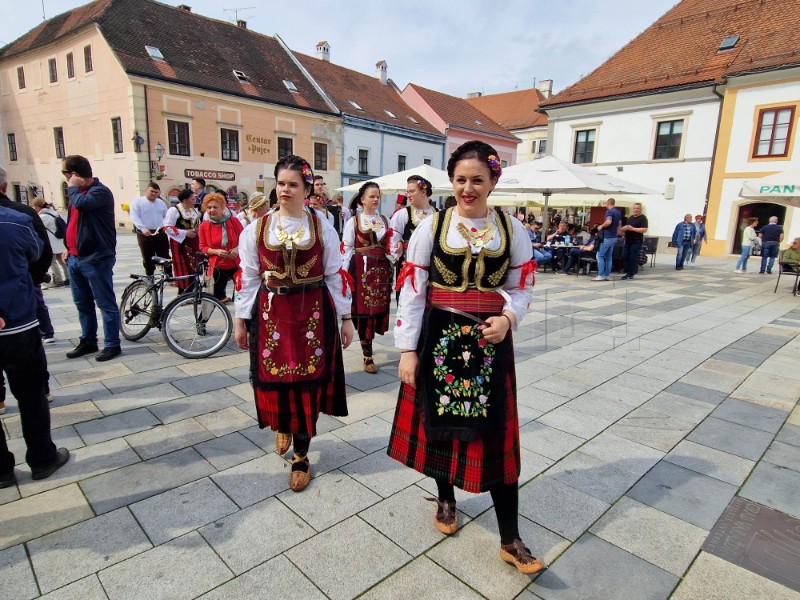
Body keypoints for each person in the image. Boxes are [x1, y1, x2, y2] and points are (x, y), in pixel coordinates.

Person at [388, 140, 542, 575]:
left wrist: (509, 317)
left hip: (490, 345)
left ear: (494, 180)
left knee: (497, 437)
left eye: (477, 179)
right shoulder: (430, 228)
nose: (467, 188)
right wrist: (406, 351)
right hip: (438, 340)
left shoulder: (513, 230)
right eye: (460, 180)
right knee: (440, 425)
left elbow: (522, 288)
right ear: (451, 181)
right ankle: (446, 498)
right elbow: (413, 293)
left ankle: (510, 538)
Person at [234, 155, 354, 492]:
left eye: (293, 185)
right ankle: (283, 424)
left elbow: (334, 275)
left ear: (306, 190)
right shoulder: (256, 229)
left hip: (311, 313)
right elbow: (248, 277)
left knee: (308, 381)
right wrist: (241, 320)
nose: (285, 190)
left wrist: (345, 318)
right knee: (276, 376)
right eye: (281, 183)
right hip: (271, 312)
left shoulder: (321, 227)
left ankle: (301, 453)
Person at [0, 204, 70, 488]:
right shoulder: (16, 221)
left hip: (16, 320)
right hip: (17, 320)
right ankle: (42, 458)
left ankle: (2, 470)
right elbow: (37, 257)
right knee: (31, 394)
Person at [62, 155, 121, 362]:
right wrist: (67, 247)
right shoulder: (77, 194)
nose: (66, 180)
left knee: (105, 303)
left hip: (96, 257)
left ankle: (112, 344)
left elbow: (83, 205)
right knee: (82, 303)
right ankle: (88, 340)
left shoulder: (99, 192)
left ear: (75, 174)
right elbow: (72, 221)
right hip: (75, 257)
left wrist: (72, 188)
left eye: (66, 175)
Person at [342, 182, 393, 374]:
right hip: (361, 271)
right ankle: (367, 354)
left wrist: (394, 251)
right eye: (372, 196)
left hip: (381, 271)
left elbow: (391, 247)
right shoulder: (354, 222)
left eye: (378, 196)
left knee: (377, 309)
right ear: (362, 199)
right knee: (364, 310)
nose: (376, 200)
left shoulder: (385, 220)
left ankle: (369, 345)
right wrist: (344, 275)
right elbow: (346, 247)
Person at [390, 175, 437, 301]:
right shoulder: (403, 214)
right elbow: (392, 239)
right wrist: (398, 245)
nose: (408, 195)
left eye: (412, 191)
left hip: (434, 268)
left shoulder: (437, 214)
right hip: (409, 267)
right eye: (407, 192)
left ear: (423, 191)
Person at [198, 193, 243, 302]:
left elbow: (244, 239)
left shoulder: (234, 221)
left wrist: (237, 249)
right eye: (209, 207)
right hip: (217, 264)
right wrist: (216, 251)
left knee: (241, 294)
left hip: (235, 263)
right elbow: (202, 247)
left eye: (215, 207)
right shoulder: (204, 226)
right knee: (217, 297)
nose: (212, 210)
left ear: (223, 208)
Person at [164, 189, 201, 292]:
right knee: (182, 266)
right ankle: (183, 292)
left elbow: (198, 224)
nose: (195, 201)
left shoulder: (193, 210)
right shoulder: (174, 210)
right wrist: (185, 233)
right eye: (192, 199)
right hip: (180, 242)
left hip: (193, 241)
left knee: (194, 265)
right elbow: (167, 227)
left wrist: (198, 231)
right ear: (184, 200)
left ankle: (193, 291)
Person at [130, 181, 170, 277]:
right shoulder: (137, 202)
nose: (154, 194)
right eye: (152, 191)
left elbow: (166, 216)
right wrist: (142, 228)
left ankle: (168, 274)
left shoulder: (161, 203)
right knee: (147, 256)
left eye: (156, 192)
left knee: (165, 254)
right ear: (147, 190)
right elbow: (134, 216)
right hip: (145, 233)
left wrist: (167, 227)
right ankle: (150, 275)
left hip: (160, 232)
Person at [32, 198, 69, 288]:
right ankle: (69, 278)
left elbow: (38, 229)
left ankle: (58, 280)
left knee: (52, 262)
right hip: (59, 241)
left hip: (52, 242)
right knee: (62, 261)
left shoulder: (43, 217)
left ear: (37, 206)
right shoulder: (54, 212)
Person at [593, 198, 621, 281]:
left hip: (608, 236)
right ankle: (607, 275)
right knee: (609, 257)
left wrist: (601, 226)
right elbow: (619, 223)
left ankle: (601, 275)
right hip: (614, 236)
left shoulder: (609, 212)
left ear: (608, 203)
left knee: (600, 255)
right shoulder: (618, 212)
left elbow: (608, 222)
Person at [620, 202, 648, 280]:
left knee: (632, 258)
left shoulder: (643, 218)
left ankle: (630, 274)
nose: (636, 210)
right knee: (624, 256)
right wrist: (624, 229)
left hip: (636, 241)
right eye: (634, 208)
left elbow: (644, 229)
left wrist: (633, 229)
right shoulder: (631, 217)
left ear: (641, 209)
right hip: (627, 240)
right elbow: (626, 228)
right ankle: (629, 270)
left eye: (637, 208)